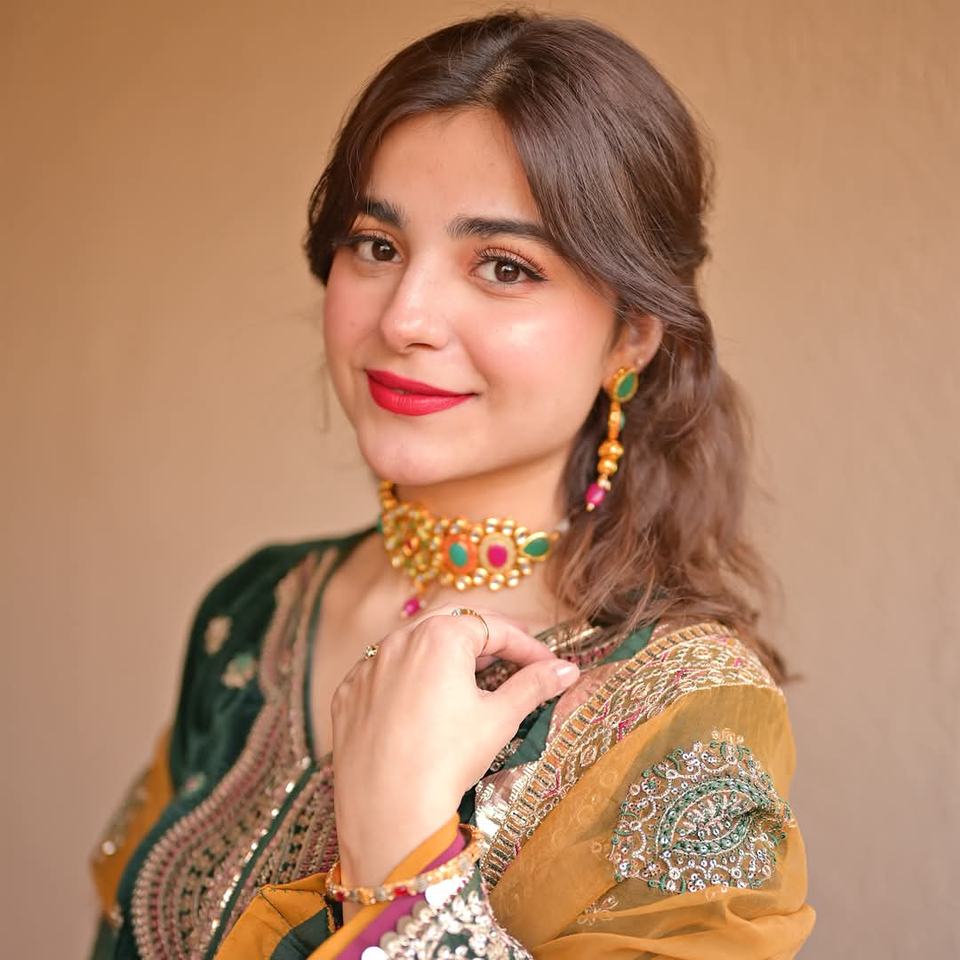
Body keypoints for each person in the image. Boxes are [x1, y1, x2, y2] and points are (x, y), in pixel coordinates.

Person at [88, 9, 816, 959]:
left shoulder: (678, 706)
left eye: (504, 266)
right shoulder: (255, 608)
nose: (406, 317)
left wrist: (406, 854)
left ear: (632, 334)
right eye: (377, 246)